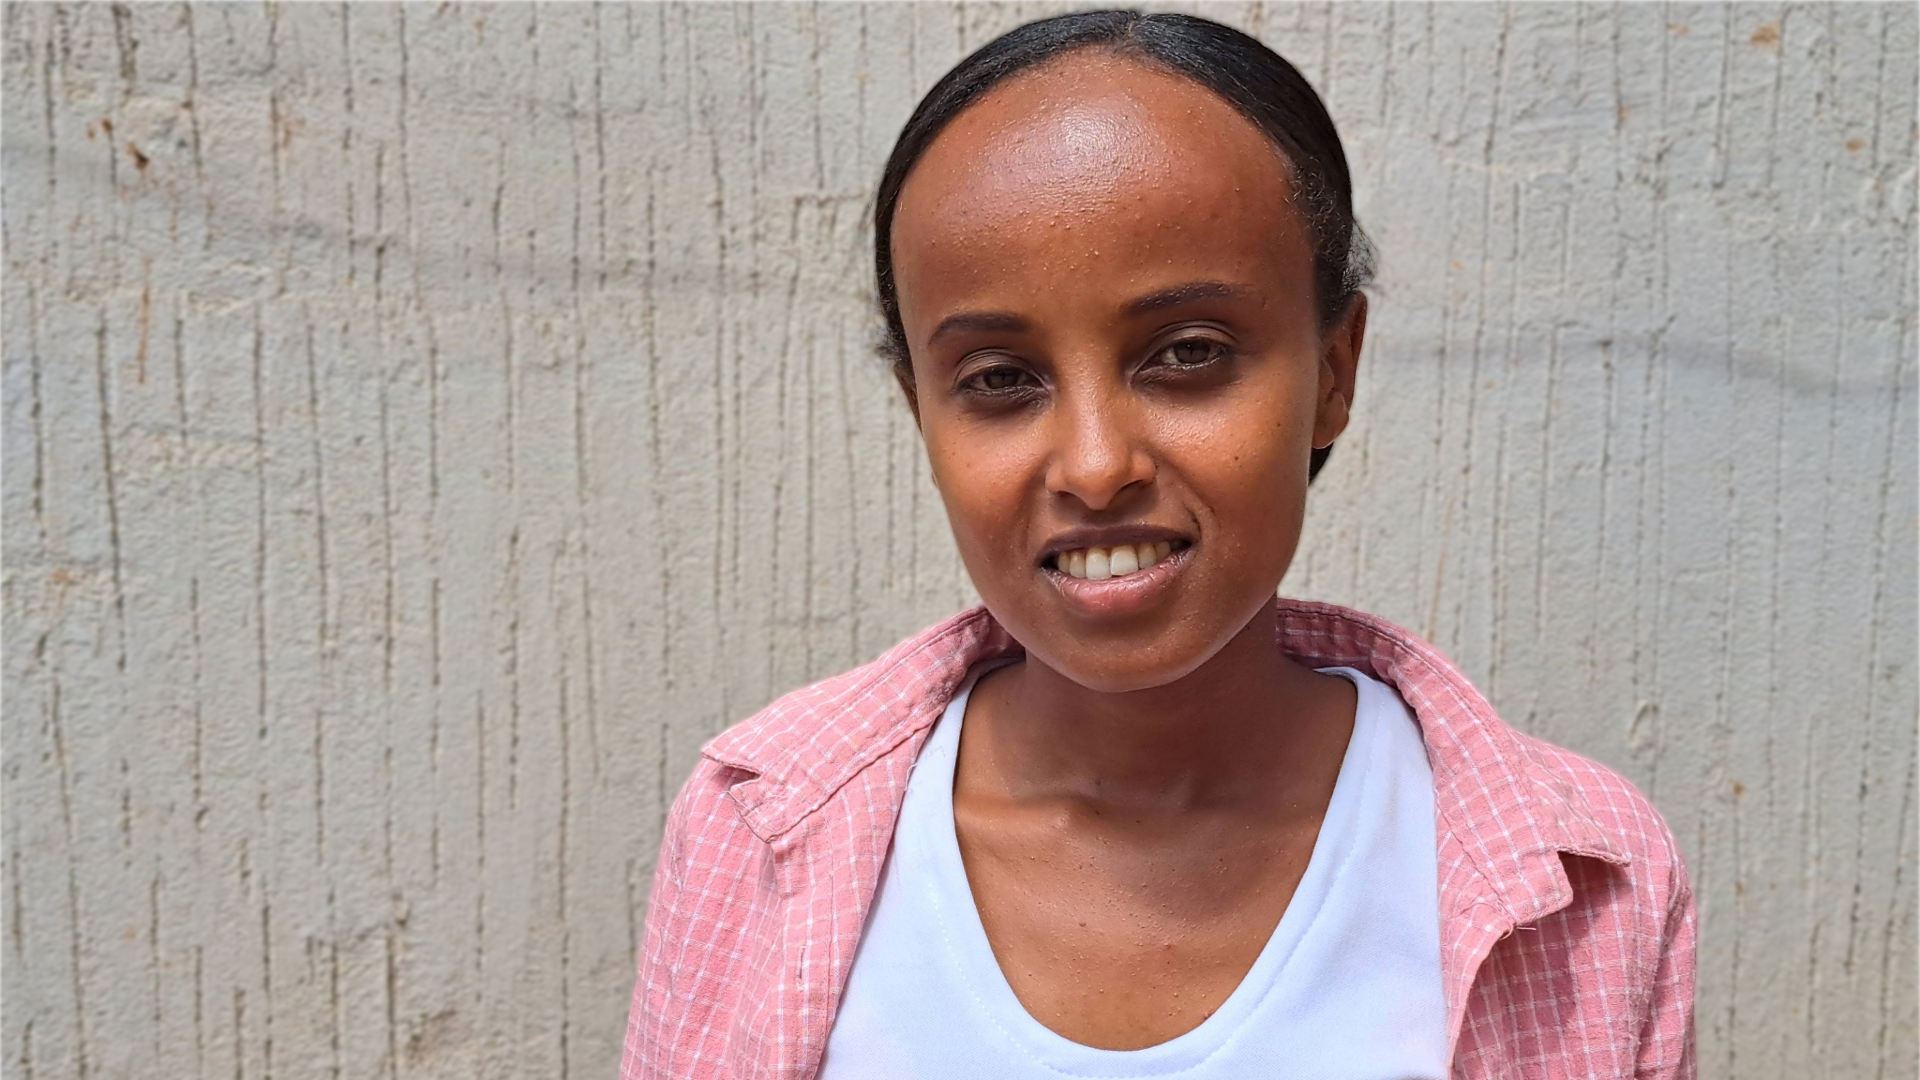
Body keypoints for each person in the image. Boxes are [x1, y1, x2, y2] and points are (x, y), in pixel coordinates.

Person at [621, 11, 1694, 1080]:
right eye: (999, 379)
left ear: (1334, 370)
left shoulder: (1590, 877)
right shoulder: (757, 831)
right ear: (922, 413)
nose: (1095, 466)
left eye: (1187, 354)